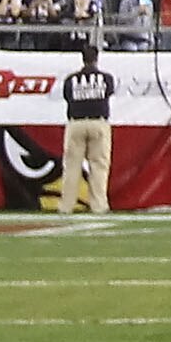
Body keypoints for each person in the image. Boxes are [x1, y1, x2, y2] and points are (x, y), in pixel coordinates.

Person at [59, 40, 116, 214]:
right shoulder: (106, 78)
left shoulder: (71, 79)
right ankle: (99, 206)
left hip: (76, 123)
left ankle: (66, 206)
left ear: (82, 59)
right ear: (96, 59)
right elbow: (109, 92)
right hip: (98, 122)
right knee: (99, 166)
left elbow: (67, 96)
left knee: (72, 167)